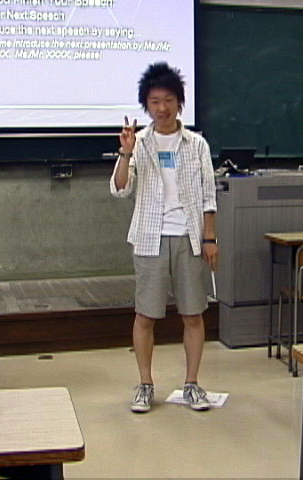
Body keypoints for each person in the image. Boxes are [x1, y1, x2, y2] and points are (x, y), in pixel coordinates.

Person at [109, 62, 218, 413]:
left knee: (193, 315)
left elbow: (208, 196)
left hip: (189, 238)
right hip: (149, 238)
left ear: (179, 102)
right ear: (146, 105)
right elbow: (120, 189)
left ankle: (192, 385)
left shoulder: (196, 144)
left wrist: (210, 239)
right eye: (155, 101)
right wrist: (126, 151)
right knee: (145, 315)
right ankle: (145, 385)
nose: (162, 108)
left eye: (168, 100)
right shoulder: (139, 142)